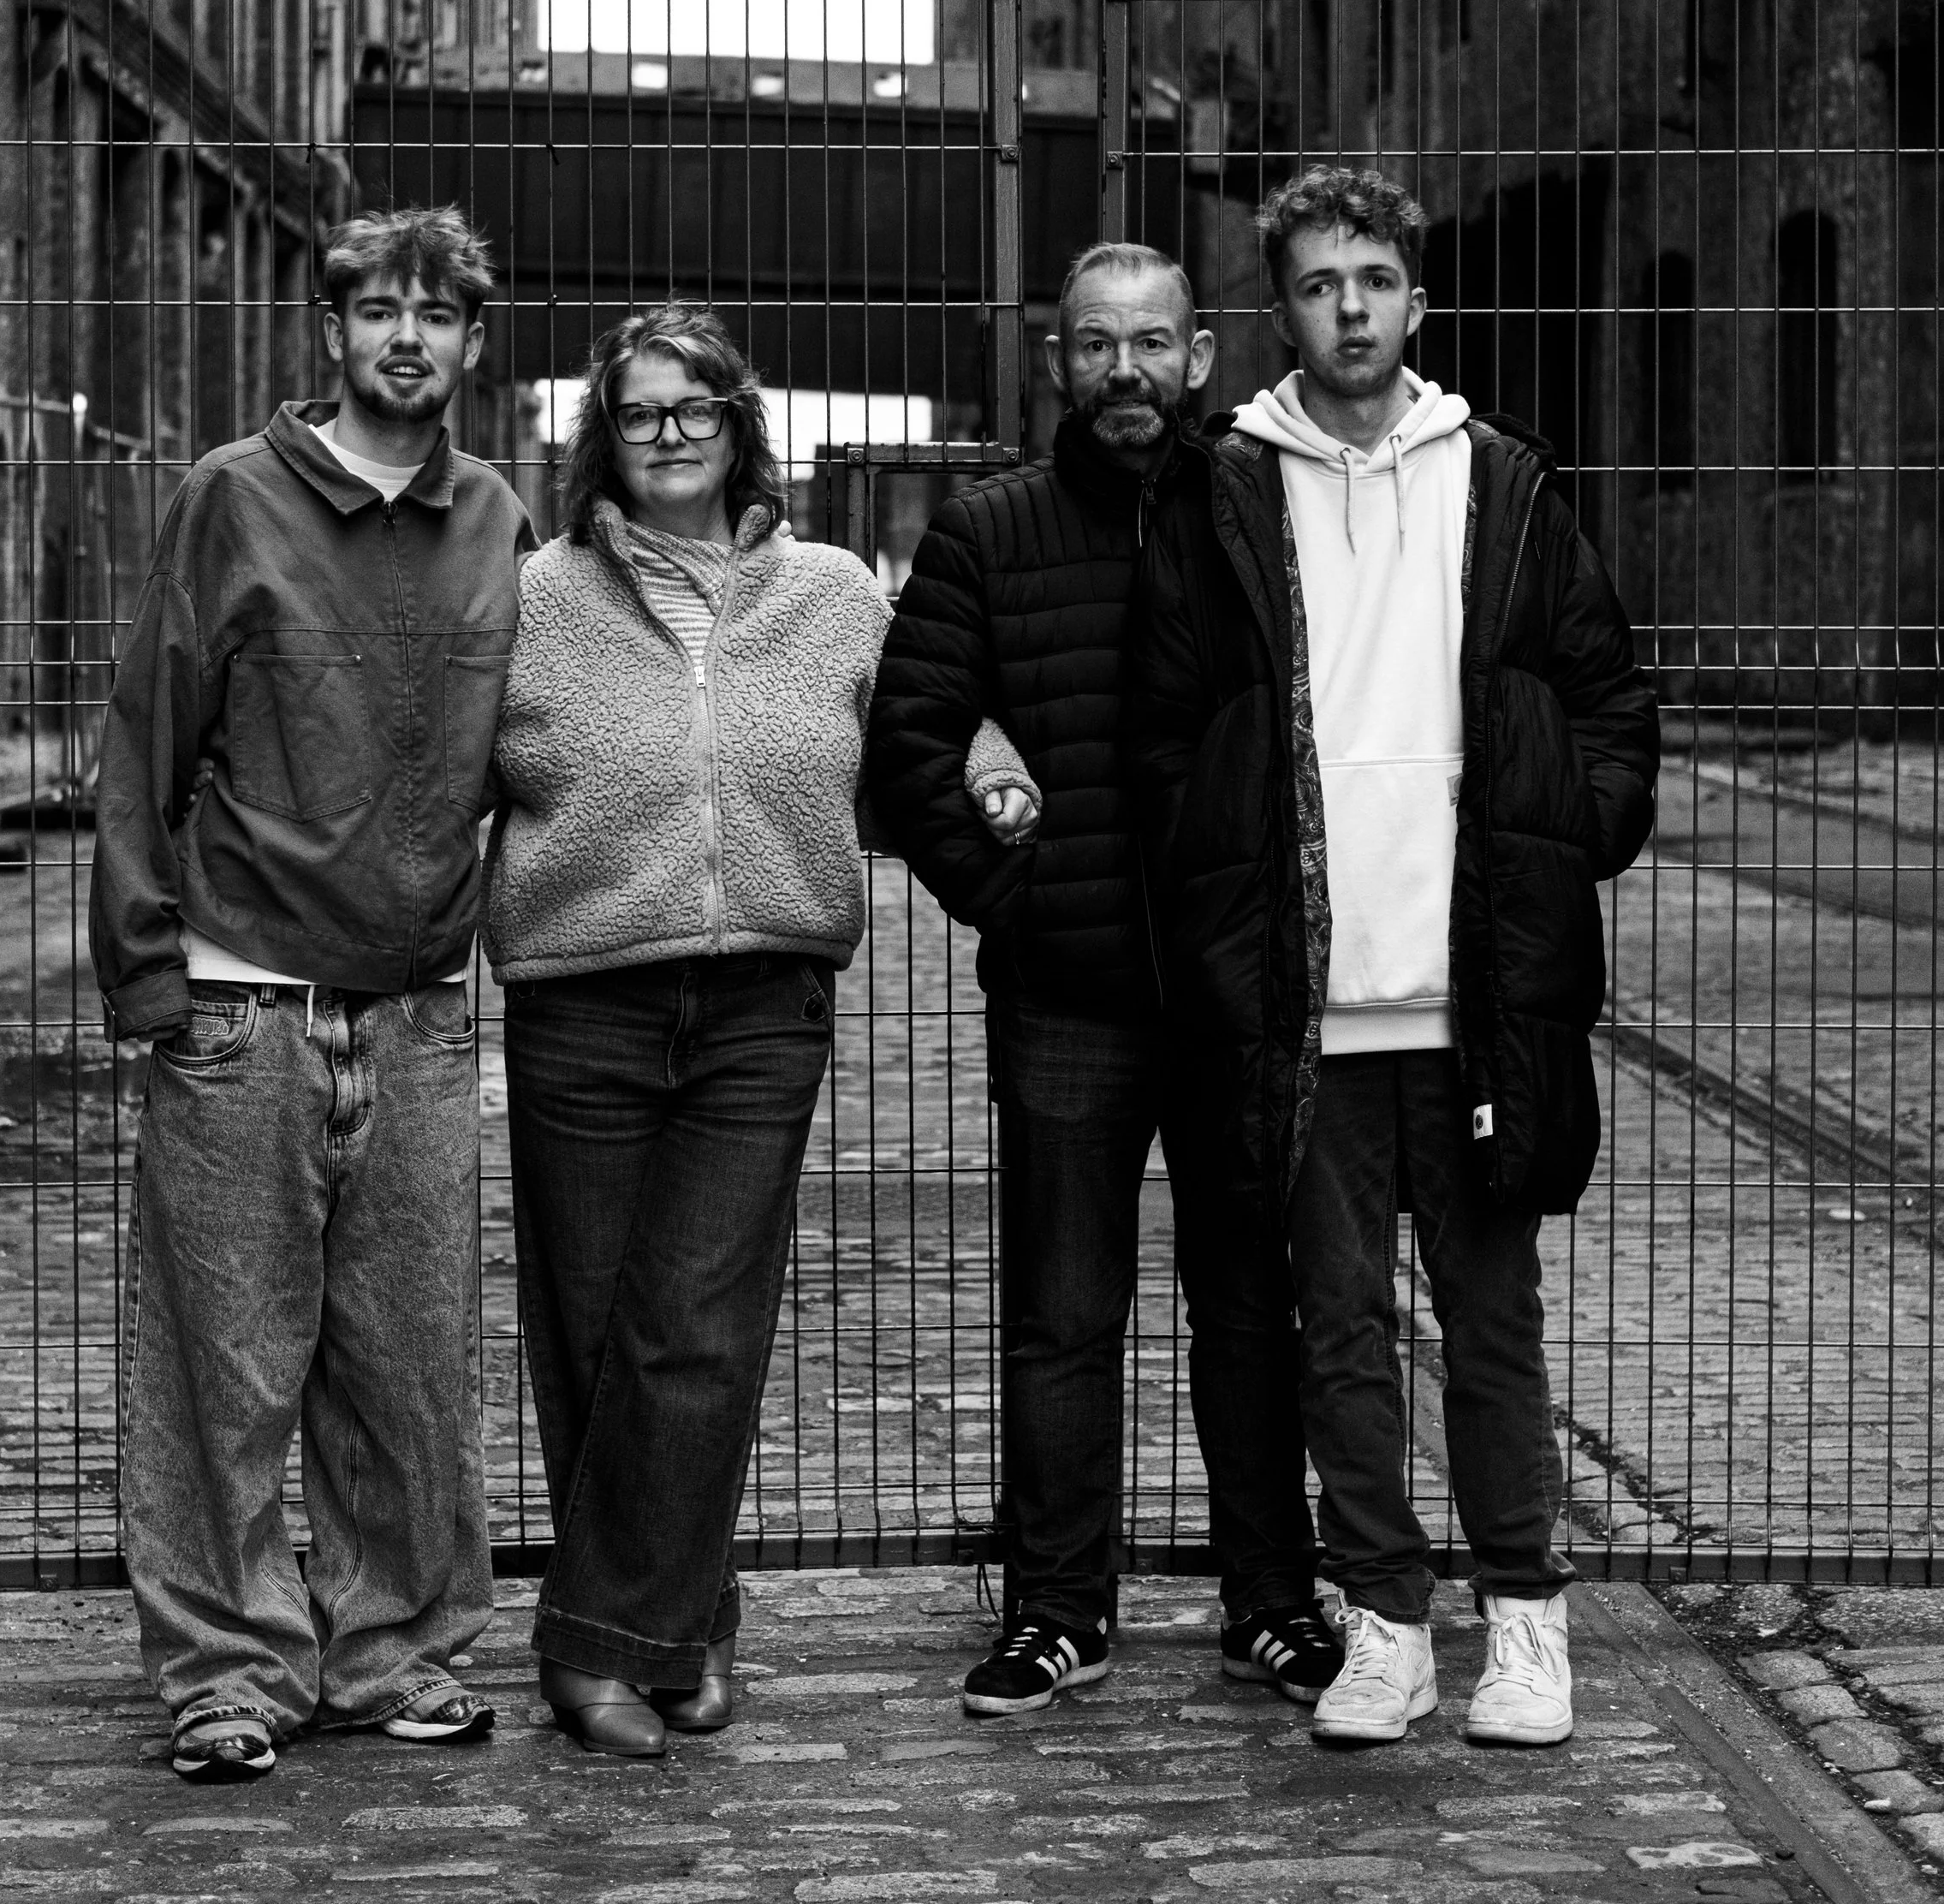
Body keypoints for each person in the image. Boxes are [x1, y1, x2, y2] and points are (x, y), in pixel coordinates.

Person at [1127, 164, 1660, 1746]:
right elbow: (1166, 739)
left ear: (1415, 300)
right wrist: (1219, 915)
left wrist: (1568, 836)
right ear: (1276, 309)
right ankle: (1382, 1624)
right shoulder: (1225, 489)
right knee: (1336, 1324)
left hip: (1473, 988)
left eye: (1371, 277)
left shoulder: (1499, 479)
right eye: (1314, 282)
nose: (1346, 306)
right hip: (1302, 999)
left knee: (1494, 1319)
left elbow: (1608, 703)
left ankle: (1525, 1619)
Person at [483, 301, 1037, 1759]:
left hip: (759, 1011)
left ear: (740, 426)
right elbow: (444, 771)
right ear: (607, 431)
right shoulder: (534, 594)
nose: (669, 436)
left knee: (701, 1333)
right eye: (641, 412)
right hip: (578, 1002)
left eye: (696, 410)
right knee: (596, 1339)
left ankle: (597, 1650)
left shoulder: (836, 590)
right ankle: (688, 1621)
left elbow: (929, 718)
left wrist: (989, 767)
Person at [90, 205, 532, 1782]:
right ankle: (226, 1667)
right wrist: (148, 977)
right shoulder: (234, 497)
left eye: (434, 314)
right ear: (333, 332)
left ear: (474, 344)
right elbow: (147, 737)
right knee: (224, 1354)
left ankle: (396, 1648)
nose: (403, 336)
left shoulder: (497, 519)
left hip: (417, 1007)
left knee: (412, 1357)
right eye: (374, 311)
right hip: (240, 1001)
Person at [866, 241, 1334, 1722]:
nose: (1124, 369)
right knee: (1064, 1309)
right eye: (1094, 344)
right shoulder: (989, 532)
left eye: (1152, 343)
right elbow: (910, 754)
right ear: (1054, 362)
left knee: (1252, 1300)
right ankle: (1060, 1609)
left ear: (1200, 359)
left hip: (1232, 989)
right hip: (1066, 994)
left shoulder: (1263, 510)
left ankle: (1273, 1598)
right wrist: (1022, 904)